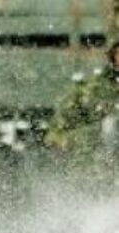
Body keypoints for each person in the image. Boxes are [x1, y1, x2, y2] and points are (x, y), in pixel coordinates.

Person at [46, 40, 119, 182]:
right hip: (99, 153)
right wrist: (59, 138)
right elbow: (64, 118)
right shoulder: (94, 87)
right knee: (104, 129)